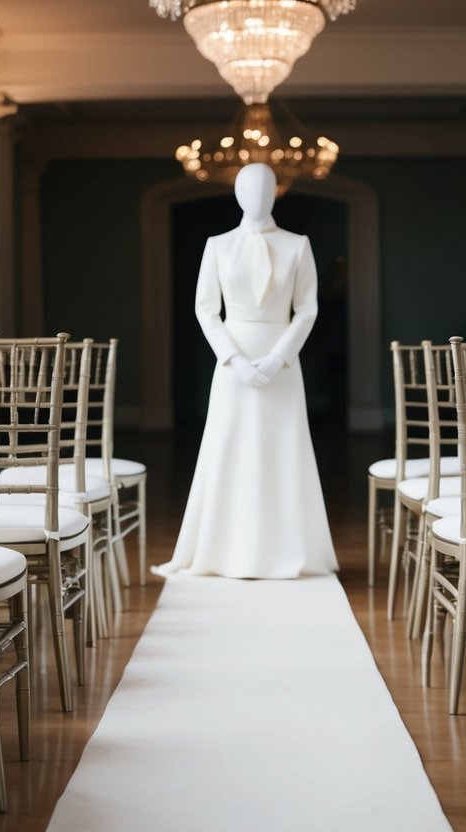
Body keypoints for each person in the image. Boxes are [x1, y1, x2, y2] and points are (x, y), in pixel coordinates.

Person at [154, 163, 338, 579]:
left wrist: (278, 358)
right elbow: (205, 309)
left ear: (276, 192)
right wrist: (234, 360)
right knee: (229, 448)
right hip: (232, 366)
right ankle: (225, 552)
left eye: (265, 188)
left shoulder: (298, 245)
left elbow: (307, 309)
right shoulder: (217, 245)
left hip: (283, 367)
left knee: (283, 450)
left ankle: (289, 550)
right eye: (247, 188)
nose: (256, 196)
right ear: (236, 194)